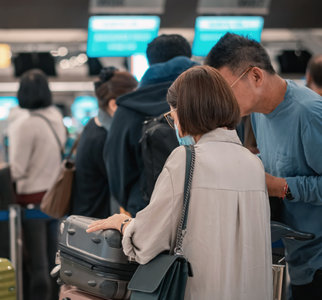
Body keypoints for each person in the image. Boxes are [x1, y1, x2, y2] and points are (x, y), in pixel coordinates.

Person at [88, 65, 273, 300]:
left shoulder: (186, 159)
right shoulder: (252, 164)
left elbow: (148, 240)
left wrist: (123, 223)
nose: (174, 125)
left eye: (172, 116)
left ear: (186, 113)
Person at [206, 33, 322, 300]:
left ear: (255, 76)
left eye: (226, 89)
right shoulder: (257, 113)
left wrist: (280, 186)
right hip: (296, 256)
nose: (222, 100)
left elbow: (281, 182)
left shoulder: (310, 114)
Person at [103, 34, 198, 216]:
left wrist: (134, 203)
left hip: (146, 213)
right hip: (200, 210)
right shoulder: (207, 101)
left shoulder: (127, 109)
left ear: (149, 63)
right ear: (188, 58)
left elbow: (116, 172)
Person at [8, 69, 67, 300]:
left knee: (36, 264)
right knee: (54, 261)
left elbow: (18, 170)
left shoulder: (26, 125)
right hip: (54, 200)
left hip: (31, 201)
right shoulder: (56, 120)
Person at [70, 67, 138, 218]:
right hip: (96, 226)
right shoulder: (104, 137)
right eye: (133, 101)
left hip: (90, 218)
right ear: (113, 105)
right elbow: (121, 183)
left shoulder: (94, 126)